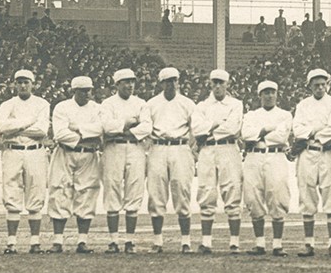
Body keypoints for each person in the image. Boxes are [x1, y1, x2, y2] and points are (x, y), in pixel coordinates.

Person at [144, 67, 199, 253]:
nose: (172, 84)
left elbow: (196, 129)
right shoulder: (151, 104)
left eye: (174, 80)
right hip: (158, 147)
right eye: (168, 81)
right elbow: (145, 129)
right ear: (161, 83)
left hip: (180, 148)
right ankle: (158, 241)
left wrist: (190, 147)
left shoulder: (187, 103)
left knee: (182, 190)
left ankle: (185, 241)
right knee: (156, 193)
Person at [48, 76, 104, 254]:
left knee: (87, 192)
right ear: (74, 91)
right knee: (59, 191)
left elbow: (102, 129)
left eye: (89, 90)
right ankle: (57, 240)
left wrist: (77, 129)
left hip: (88, 155)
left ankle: (82, 240)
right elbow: (60, 134)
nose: (86, 94)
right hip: (65, 152)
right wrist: (88, 133)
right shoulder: (62, 107)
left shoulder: (97, 108)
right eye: (82, 90)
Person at [291, 69, 331, 257]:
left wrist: (312, 132)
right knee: (307, 195)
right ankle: (309, 244)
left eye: (323, 84)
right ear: (310, 86)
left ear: (328, 85)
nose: (320, 88)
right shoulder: (303, 105)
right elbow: (298, 130)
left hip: (328, 153)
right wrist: (316, 131)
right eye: (316, 85)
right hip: (307, 153)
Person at [99, 68, 152, 254]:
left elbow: (147, 127)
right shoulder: (107, 103)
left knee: (135, 188)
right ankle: (113, 241)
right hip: (114, 147)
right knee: (112, 188)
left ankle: (129, 240)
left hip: (135, 147)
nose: (130, 85)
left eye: (132, 82)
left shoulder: (141, 103)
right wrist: (128, 123)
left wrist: (123, 128)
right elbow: (106, 126)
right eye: (126, 82)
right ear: (117, 84)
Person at [0, 70, 50, 254]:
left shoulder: (42, 103)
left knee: (36, 192)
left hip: (35, 151)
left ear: (33, 84)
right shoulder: (7, 104)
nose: (22, 85)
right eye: (19, 82)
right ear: (13, 84)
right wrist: (28, 123)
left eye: (26, 82)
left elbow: (42, 131)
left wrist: (16, 128)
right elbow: (3, 128)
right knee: (11, 192)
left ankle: (35, 242)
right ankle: (11, 242)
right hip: (13, 151)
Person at [194, 69, 244, 254]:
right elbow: (197, 129)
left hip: (228, 148)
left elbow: (233, 128)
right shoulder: (201, 105)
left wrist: (210, 127)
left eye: (221, 82)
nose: (217, 86)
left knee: (232, 190)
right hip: (207, 150)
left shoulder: (236, 104)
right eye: (214, 82)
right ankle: (206, 242)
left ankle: (234, 242)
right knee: (206, 191)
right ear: (210, 84)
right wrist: (216, 124)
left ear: (227, 84)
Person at [241, 80, 293, 256]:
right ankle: (260, 244)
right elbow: (246, 135)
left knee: (277, 195)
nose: (269, 96)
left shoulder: (285, 114)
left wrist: (259, 134)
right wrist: (264, 130)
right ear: (260, 95)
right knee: (253, 196)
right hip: (254, 156)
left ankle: (277, 244)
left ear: (277, 94)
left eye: (272, 92)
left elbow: (281, 136)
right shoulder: (251, 115)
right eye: (266, 92)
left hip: (275, 155)